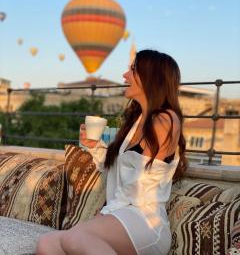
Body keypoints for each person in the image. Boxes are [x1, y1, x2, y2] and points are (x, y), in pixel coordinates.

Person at [36, 50, 187, 255]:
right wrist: (94, 146)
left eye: (132, 70)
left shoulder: (165, 120)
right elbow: (115, 173)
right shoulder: (135, 123)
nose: (125, 75)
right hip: (122, 215)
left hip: (146, 221)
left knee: (75, 237)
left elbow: (141, 183)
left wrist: (108, 212)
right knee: (47, 243)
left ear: (151, 76)